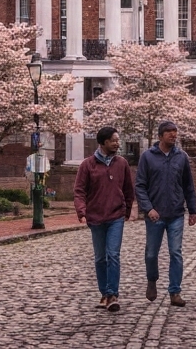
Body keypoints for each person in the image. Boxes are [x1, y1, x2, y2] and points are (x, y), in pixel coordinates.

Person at [135, 121, 196, 307]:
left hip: (176, 213)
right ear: (160, 136)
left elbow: (188, 185)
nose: (173, 135)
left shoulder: (182, 157)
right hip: (155, 215)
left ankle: (175, 291)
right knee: (151, 254)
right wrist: (148, 208)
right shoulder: (147, 157)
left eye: (175, 132)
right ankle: (152, 280)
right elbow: (140, 186)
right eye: (169, 132)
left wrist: (192, 209)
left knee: (175, 252)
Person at [75, 126, 135, 312]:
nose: (117, 143)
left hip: (116, 216)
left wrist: (127, 209)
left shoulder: (122, 163)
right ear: (103, 143)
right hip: (96, 217)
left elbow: (128, 189)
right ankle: (104, 294)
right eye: (114, 140)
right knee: (101, 258)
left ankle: (112, 294)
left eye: (118, 140)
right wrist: (82, 211)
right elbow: (79, 190)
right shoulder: (87, 165)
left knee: (113, 255)